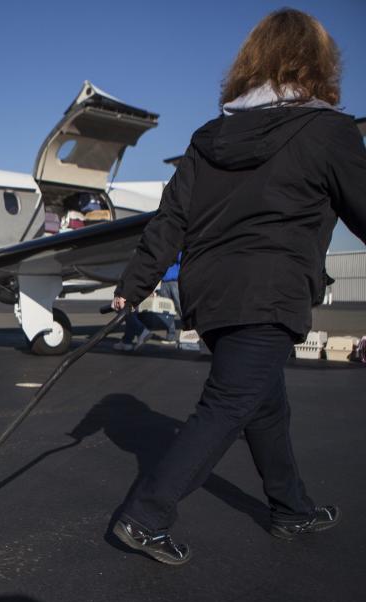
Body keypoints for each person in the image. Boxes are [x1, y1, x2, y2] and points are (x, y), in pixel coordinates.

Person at [109, 9, 366, 565]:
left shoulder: (210, 136)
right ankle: (145, 516)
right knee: (228, 404)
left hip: (211, 292)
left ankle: (290, 509)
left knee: (264, 405)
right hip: (270, 289)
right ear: (318, 64)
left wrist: (134, 283)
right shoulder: (329, 131)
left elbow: (170, 218)